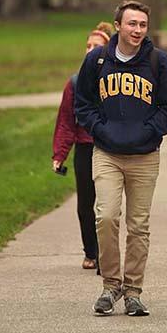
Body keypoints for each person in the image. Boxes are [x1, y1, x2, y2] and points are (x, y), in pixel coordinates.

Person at [75, 0, 167, 317]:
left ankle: (133, 291)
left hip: (145, 156)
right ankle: (110, 286)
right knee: (106, 217)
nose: (137, 30)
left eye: (143, 25)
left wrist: (149, 132)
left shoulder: (157, 61)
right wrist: (100, 129)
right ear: (118, 25)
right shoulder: (97, 61)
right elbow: (83, 104)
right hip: (107, 153)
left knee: (138, 226)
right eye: (132, 24)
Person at [52, 22, 113, 271]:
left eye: (96, 46)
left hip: (110, 147)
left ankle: (107, 252)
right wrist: (60, 154)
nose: (90, 50)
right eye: (87, 46)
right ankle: (91, 251)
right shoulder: (76, 83)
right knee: (86, 203)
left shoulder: (114, 80)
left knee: (108, 204)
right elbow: (66, 120)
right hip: (85, 148)